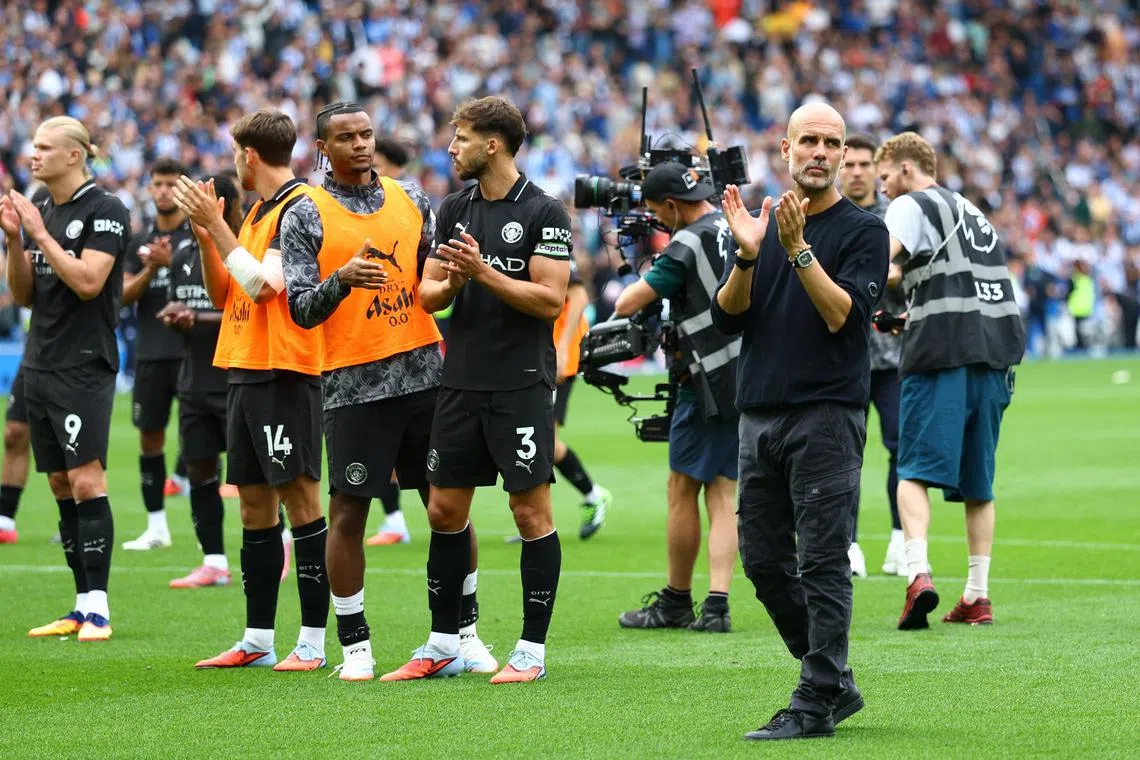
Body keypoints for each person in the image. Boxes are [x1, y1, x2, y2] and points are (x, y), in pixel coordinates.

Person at [280, 102, 494, 681]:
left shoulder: (412, 199)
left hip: (427, 377)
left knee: (447, 509)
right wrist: (342, 281)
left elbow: (433, 279)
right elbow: (299, 310)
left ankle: (465, 635)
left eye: (366, 134)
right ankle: (355, 645)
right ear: (322, 147)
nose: (360, 145)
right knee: (347, 515)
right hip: (354, 385)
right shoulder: (304, 214)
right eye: (345, 137)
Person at [712, 102, 888, 740]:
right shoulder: (762, 226)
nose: (819, 151)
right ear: (785, 149)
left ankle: (816, 696)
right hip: (758, 414)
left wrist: (799, 252)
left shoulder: (863, 230)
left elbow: (845, 316)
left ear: (844, 155)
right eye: (808, 140)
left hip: (826, 413)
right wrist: (750, 257)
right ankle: (832, 679)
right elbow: (729, 318)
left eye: (831, 142)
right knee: (761, 560)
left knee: (821, 559)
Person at [383, 96, 570, 684]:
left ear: (493, 144)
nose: (450, 148)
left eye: (460, 138)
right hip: (459, 379)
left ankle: (531, 652)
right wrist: (454, 278)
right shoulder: (454, 206)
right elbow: (429, 293)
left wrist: (484, 271)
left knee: (529, 510)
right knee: (442, 509)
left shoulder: (545, 211)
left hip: (519, 384)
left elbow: (551, 300)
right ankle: (444, 642)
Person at [172, 109, 330, 671]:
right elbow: (228, 294)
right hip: (242, 365)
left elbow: (266, 288)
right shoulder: (260, 211)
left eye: (236, 151)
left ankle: (312, 641)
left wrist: (217, 228)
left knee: (302, 501)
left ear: (248, 155)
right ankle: (257, 638)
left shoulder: (298, 208)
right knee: (255, 508)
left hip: (285, 371)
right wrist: (204, 235)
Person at [874, 132, 1026, 630]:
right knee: (979, 484)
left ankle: (918, 573)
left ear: (904, 168)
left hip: (942, 349)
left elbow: (883, 260)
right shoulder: (971, 209)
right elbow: (942, 274)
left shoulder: (911, 204)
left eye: (884, 178)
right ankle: (977, 596)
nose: (883, 190)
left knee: (912, 470)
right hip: (996, 352)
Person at [2, 116, 131, 642]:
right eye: (33, 147)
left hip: (83, 362)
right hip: (40, 361)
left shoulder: (106, 210)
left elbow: (87, 281)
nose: (33, 156)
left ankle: (99, 608)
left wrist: (36, 233)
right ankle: (78, 606)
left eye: (44, 147)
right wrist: (15, 241)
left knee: (85, 479)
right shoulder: (44, 208)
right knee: (57, 482)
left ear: (75, 155)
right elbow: (27, 295)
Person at [611, 161, 739, 633]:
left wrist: (648, 265)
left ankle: (677, 600)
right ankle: (719, 604)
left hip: (704, 378)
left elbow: (628, 303)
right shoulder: (733, 223)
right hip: (744, 375)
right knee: (724, 491)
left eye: (656, 212)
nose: (656, 221)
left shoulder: (687, 240)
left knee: (682, 486)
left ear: (669, 205)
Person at [161, 174, 245, 589]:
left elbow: (242, 308)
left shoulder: (244, 245)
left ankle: (282, 543)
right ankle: (213, 561)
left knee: (255, 476)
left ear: (223, 205)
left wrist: (198, 318)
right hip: (193, 379)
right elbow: (184, 304)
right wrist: (178, 317)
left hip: (236, 379)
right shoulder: (181, 253)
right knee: (199, 471)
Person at [838, 133, 906, 577]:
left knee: (902, 448)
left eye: (866, 164)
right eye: (852, 164)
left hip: (896, 357)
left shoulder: (897, 217)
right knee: (844, 455)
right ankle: (848, 544)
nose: (858, 172)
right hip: (845, 357)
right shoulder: (832, 217)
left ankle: (902, 538)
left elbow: (907, 270)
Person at [120, 158, 196, 551]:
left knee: (201, 441)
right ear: (149, 189)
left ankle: (207, 535)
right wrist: (151, 268)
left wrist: (175, 263)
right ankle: (156, 527)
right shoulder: (137, 242)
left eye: (171, 184)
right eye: (158, 184)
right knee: (150, 439)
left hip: (193, 355)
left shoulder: (196, 238)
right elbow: (122, 294)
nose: (164, 191)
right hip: (150, 354)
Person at [365, 132, 415, 548]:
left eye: (377, 162)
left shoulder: (412, 206)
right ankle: (396, 519)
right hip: (385, 334)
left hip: (423, 338)